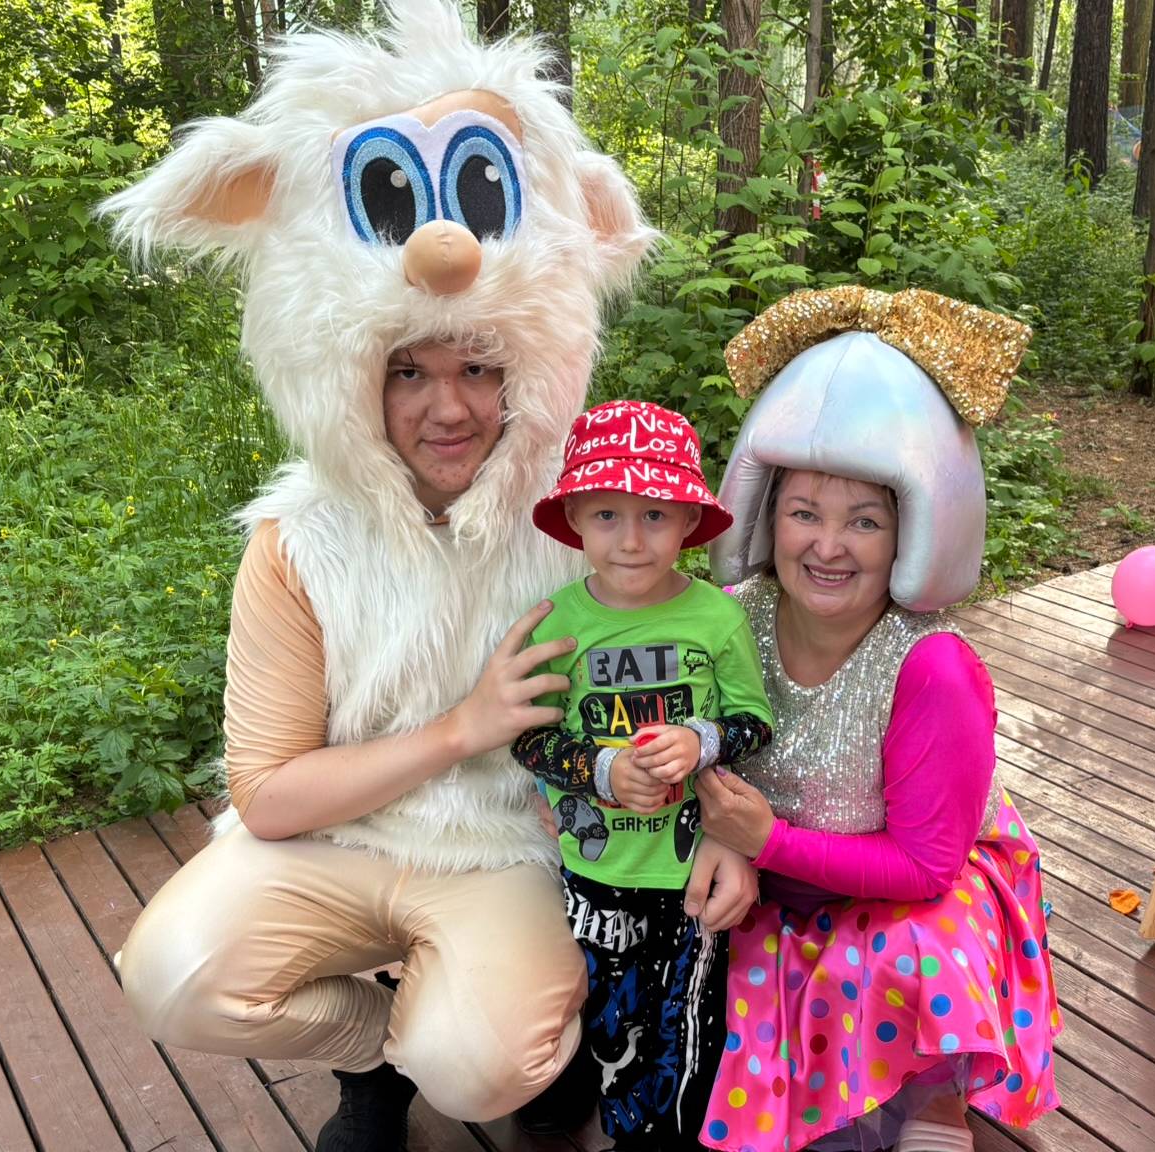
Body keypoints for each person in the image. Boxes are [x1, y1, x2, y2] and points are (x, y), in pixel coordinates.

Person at [96, 7, 753, 1152]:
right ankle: (371, 1060)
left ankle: (484, 1038)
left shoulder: (584, 522)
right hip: (335, 841)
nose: (446, 408)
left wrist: (726, 820)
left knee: (481, 1067)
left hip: (509, 847)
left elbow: (698, 663)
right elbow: (269, 795)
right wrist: (460, 729)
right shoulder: (297, 543)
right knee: (175, 975)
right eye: (407, 370)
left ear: (525, 365)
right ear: (349, 369)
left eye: (478, 366)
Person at [691, 287, 1064, 1152]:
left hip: (902, 902)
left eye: (864, 521)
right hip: (767, 894)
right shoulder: (726, 620)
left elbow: (926, 869)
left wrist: (765, 840)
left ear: (912, 535)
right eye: (804, 514)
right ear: (766, 515)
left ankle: (930, 1096)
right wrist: (723, 839)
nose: (828, 546)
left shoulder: (931, 667)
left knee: (909, 957)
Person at [510, 398, 777, 1150]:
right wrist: (600, 770)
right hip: (594, 871)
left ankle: (668, 1136)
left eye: (655, 515)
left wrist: (701, 740)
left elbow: (755, 723)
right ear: (575, 519)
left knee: (687, 1020)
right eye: (607, 515)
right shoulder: (556, 621)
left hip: (690, 869)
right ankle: (612, 1114)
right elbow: (528, 740)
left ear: (689, 520)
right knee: (606, 1013)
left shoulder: (716, 619)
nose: (631, 540)